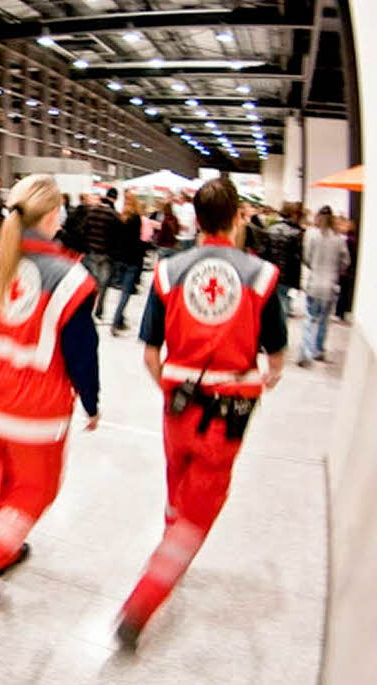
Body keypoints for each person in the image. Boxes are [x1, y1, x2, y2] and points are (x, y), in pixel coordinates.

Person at [116, 177, 287, 650]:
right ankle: (143, 600)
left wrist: (172, 386)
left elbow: (150, 353)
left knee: (177, 481)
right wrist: (265, 380)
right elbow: (276, 356)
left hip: (177, 400)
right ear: (236, 219)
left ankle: (170, 548)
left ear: (197, 218)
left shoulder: (169, 271)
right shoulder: (261, 275)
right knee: (201, 507)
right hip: (229, 409)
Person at [0, 174, 99, 601]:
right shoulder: (70, 279)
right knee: (35, 491)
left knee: (2, 484)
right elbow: (81, 353)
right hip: (39, 408)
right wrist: (91, 402)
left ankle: (5, 546)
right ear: (54, 215)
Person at [298, 206, 350, 366]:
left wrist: (314, 265)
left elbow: (306, 258)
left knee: (309, 318)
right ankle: (318, 350)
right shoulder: (339, 239)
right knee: (323, 320)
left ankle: (305, 353)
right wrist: (336, 269)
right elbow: (346, 261)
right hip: (330, 285)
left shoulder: (311, 235)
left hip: (314, 283)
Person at [79, 188, 123, 320]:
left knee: (90, 282)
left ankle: (88, 307)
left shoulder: (91, 213)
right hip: (106, 254)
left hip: (91, 252)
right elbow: (117, 237)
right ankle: (99, 310)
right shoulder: (114, 215)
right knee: (103, 285)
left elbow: (83, 231)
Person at [258, 202, 305, 318]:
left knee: (269, 307)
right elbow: (297, 261)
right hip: (287, 278)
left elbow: (262, 255)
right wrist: (297, 284)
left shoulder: (269, 229)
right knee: (283, 307)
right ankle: (281, 333)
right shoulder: (296, 233)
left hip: (270, 275)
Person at [110, 191, 147, 336]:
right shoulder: (136, 219)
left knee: (122, 292)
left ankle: (120, 320)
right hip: (132, 260)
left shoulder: (121, 217)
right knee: (126, 293)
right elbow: (137, 241)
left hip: (121, 259)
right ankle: (116, 321)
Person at [335, 217, 357, 322]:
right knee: (342, 292)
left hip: (345, 272)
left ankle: (339, 312)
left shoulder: (348, 241)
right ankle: (339, 312)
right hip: (347, 271)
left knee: (342, 293)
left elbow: (346, 258)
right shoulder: (349, 240)